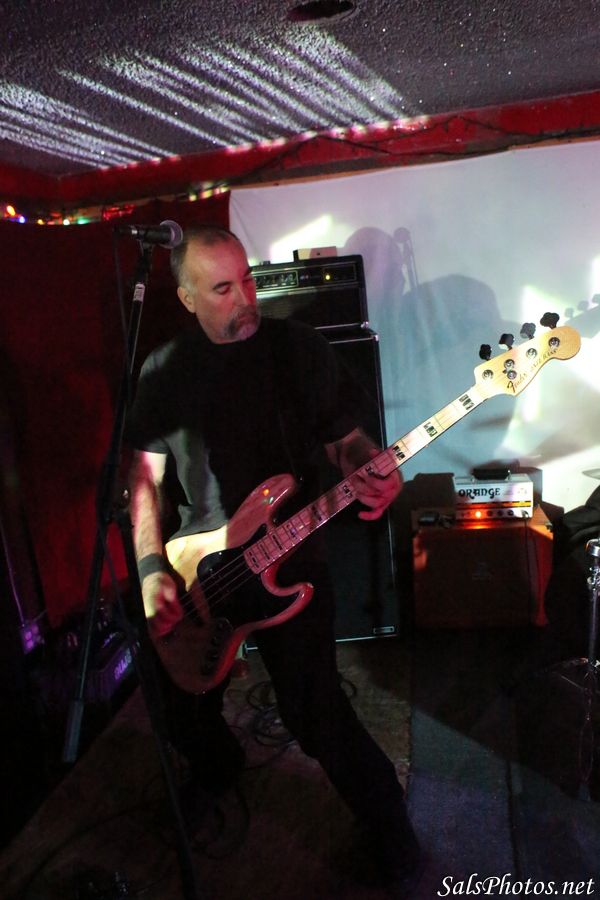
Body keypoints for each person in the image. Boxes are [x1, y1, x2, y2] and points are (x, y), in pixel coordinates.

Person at [126, 224, 422, 895]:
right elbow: (142, 477)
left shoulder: (299, 349)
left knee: (316, 712)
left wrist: (370, 468)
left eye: (248, 281)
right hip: (200, 566)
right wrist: (149, 570)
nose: (244, 300)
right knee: (179, 699)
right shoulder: (163, 372)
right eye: (222, 289)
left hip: (291, 558)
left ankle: (391, 828)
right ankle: (216, 767)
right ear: (186, 298)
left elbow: (346, 442)